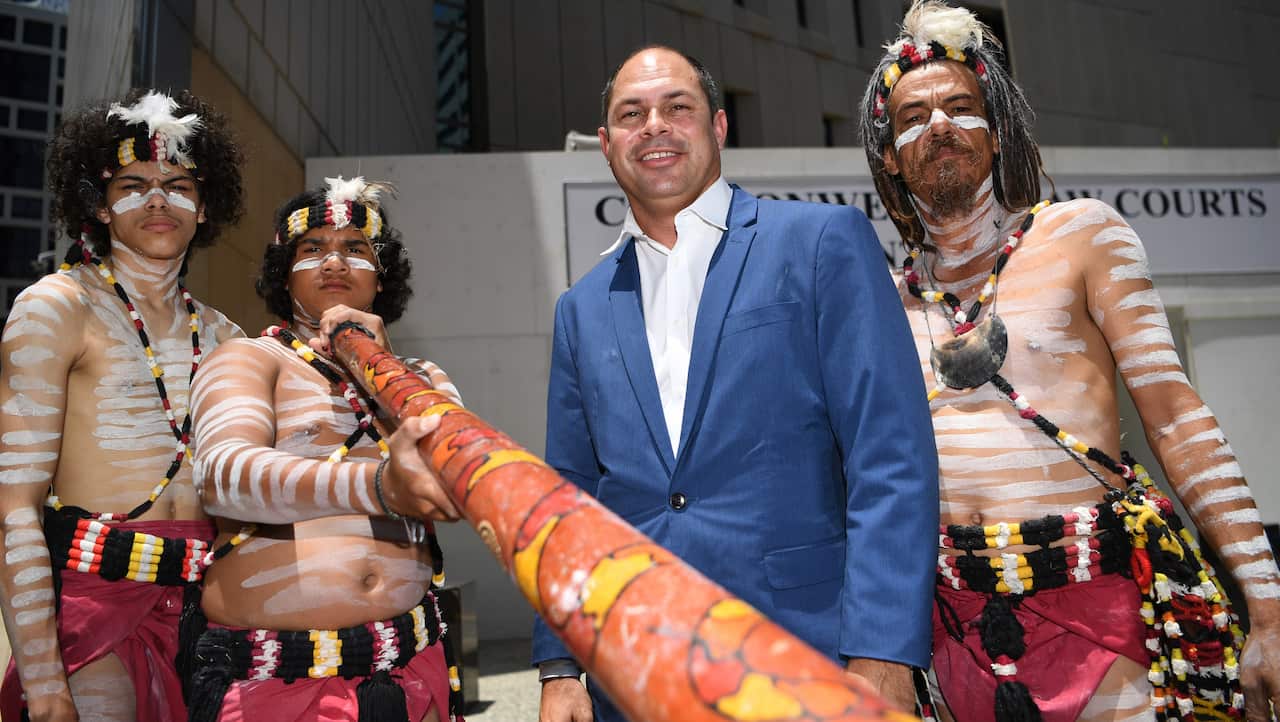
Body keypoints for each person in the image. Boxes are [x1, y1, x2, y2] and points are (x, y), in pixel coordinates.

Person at [858, 2, 1280, 721]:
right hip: (952, 636)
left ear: (996, 135)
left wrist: (1268, 611)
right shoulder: (881, 300)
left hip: (1104, 626)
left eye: (961, 107)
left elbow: (1175, 418)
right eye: (914, 116)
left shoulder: (1082, 235)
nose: (940, 126)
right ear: (891, 155)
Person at [532, 45, 939, 722]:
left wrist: (883, 653)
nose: (654, 125)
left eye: (677, 107)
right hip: (633, 670)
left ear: (718, 126)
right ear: (605, 145)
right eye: (632, 114)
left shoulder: (820, 241)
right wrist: (558, 665)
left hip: (810, 658)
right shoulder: (581, 307)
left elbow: (890, 455)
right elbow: (567, 499)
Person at [0, 89, 244, 722]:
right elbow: (13, 506)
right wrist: (47, 684)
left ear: (204, 202)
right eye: (133, 183)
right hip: (94, 608)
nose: (158, 199)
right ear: (100, 206)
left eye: (178, 183)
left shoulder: (226, 336)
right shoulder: (55, 308)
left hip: (209, 615)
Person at [185, 177, 465, 722]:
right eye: (311, 249)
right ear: (282, 273)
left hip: (413, 663)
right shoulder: (248, 359)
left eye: (355, 249)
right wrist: (378, 487)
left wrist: (383, 376)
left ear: (381, 276)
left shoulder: (424, 378)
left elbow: (459, 481)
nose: (333, 262)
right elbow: (221, 474)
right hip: (275, 679)